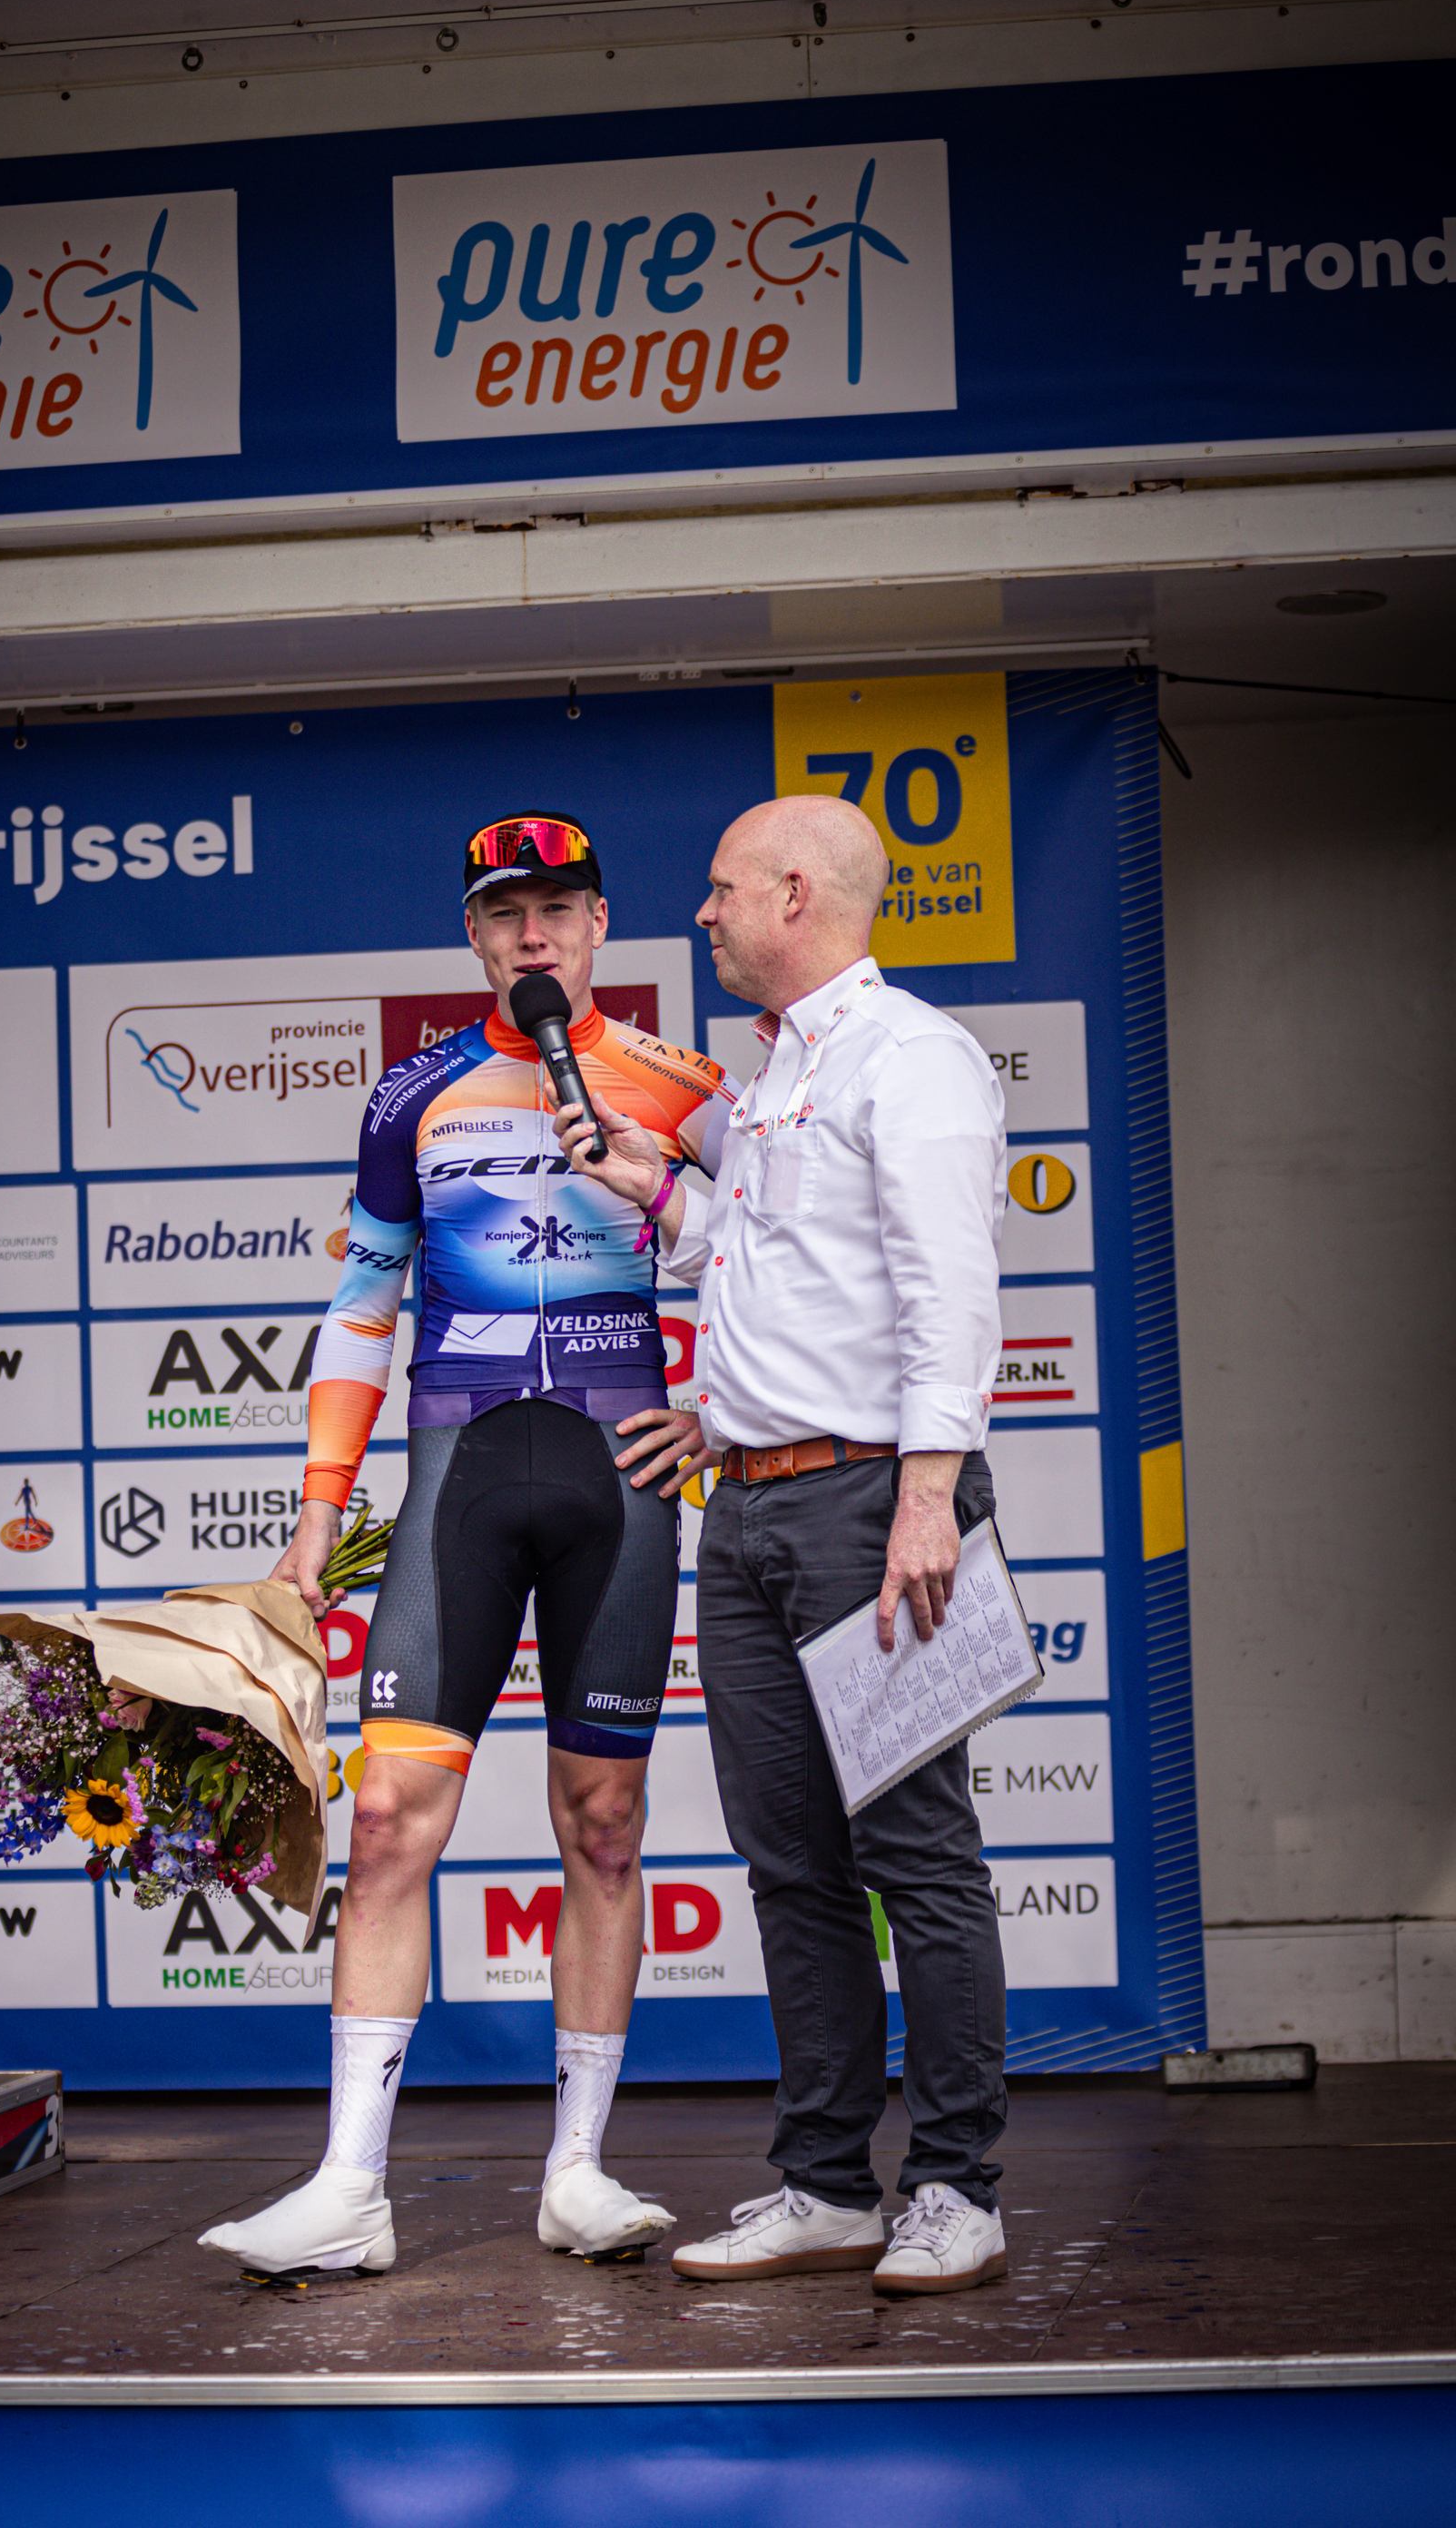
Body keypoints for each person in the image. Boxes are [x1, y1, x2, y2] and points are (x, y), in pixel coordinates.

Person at [199, 811, 735, 2277]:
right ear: (475, 938)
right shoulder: (412, 1098)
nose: (534, 935)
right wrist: (314, 1524)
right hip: (458, 1479)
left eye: (559, 908)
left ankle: (579, 2170)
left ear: (601, 923)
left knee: (604, 1826)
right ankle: (349, 2187)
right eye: (506, 914)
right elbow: (363, 1309)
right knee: (385, 1826)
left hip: (618, 1485)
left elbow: (777, 1261)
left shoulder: (685, 1087)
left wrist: (717, 1413)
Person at [553, 793, 1012, 2296]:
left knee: (916, 1857)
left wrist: (929, 1496)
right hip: (748, 1504)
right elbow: (757, 1260)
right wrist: (661, 1195)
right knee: (791, 1864)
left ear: (795, 894)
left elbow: (951, 1288)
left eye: (721, 888)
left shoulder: (913, 1058)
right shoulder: (768, 1080)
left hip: (876, 1503)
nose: (703, 912)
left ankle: (956, 2186)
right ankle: (826, 2185)